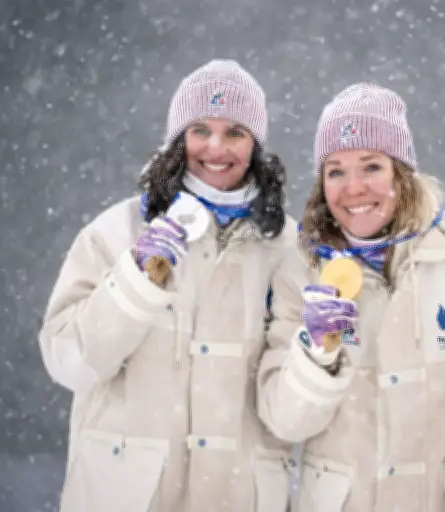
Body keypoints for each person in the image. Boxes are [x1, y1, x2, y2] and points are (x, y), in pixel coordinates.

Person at [38, 60, 296, 512]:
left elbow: (300, 401)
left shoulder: (290, 248)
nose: (216, 147)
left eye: (235, 131)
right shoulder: (114, 232)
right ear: (178, 139)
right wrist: (135, 278)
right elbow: (69, 363)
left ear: (256, 145)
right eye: (200, 129)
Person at [256, 83, 445, 511]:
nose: (353, 188)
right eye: (336, 171)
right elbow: (286, 421)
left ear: (401, 173)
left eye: (371, 167)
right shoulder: (300, 272)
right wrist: (316, 353)